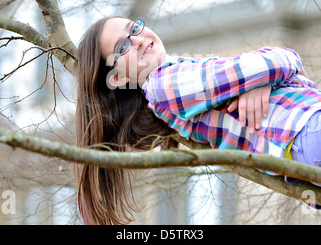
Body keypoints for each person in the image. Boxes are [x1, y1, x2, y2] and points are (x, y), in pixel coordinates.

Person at [75, 16, 321, 225]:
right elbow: (266, 64)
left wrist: (265, 80)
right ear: (117, 78)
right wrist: (276, 69)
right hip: (306, 129)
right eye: (122, 47)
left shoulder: (182, 74)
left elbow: (259, 70)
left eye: (134, 28)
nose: (138, 39)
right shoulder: (165, 84)